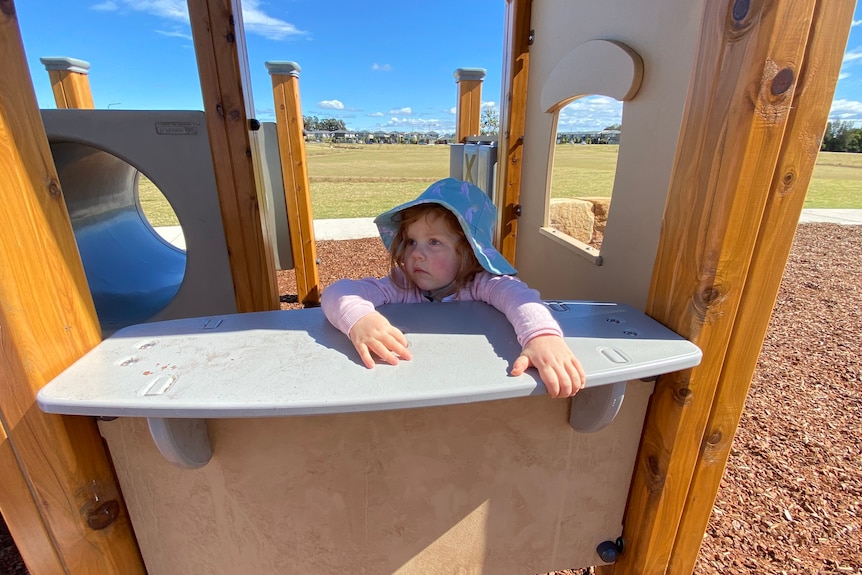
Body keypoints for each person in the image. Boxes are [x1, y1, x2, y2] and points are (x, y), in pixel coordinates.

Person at [321, 178, 585, 398]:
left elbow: (518, 297)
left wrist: (541, 337)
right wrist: (360, 320)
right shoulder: (402, 285)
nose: (417, 254)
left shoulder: (480, 284)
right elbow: (337, 292)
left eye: (434, 242)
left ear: (470, 253)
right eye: (411, 241)